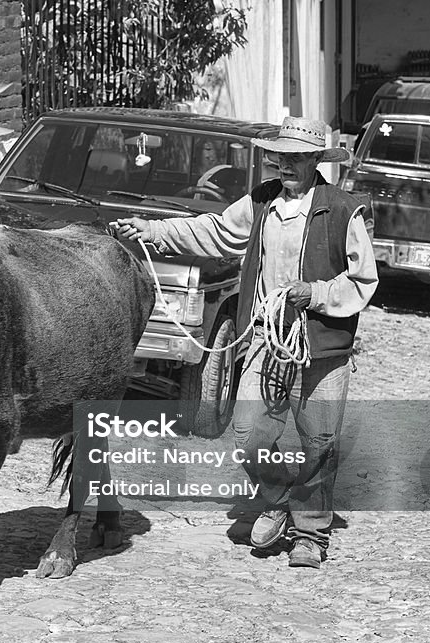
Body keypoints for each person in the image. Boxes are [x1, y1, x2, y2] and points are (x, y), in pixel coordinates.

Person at [113, 116, 378, 569]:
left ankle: (311, 535)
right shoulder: (261, 202)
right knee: (247, 436)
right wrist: (153, 231)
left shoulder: (344, 210)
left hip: (321, 347)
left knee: (319, 441)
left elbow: (362, 281)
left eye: (297, 157)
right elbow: (213, 231)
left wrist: (312, 293)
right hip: (263, 340)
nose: (286, 166)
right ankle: (276, 499)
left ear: (316, 160)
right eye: (281, 157)